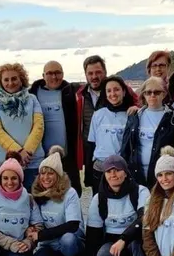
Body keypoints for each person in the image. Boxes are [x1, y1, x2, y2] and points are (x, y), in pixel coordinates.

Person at [83, 154, 150, 256]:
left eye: (117, 170)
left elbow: (144, 219)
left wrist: (124, 239)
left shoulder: (141, 191)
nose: (113, 174)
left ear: (125, 173)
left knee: (139, 241)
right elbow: (92, 237)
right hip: (113, 244)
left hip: (135, 240)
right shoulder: (98, 199)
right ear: (104, 175)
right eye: (109, 171)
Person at [30, 147, 84, 256]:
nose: (45, 177)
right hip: (48, 243)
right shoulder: (37, 193)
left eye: (50, 173)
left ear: (58, 175)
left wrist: (40, 235)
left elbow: (72, 225)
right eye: (42, 173)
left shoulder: (69, 193)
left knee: (68, 239)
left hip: (70, 239)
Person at [0, 63, 45, 187]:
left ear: (21, 79)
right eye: (6, 80)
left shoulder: (32, 99)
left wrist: (26, 152)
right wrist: (18, 152)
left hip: (33, 161)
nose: (10, 83)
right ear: (0, 82)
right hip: (7, 162)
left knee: (35, 200)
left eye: (14, 78)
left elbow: (38, 127)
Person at [29, 61, 83, 193]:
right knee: (43, 193)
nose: (54, 77)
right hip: (42, 155)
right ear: (43, 75)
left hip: (67, 154)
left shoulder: (71, 92)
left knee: (72, 192)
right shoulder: (32, 95)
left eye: (57, 73)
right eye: (50, 73)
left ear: (63, 74)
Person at [122, 76, 174, 186]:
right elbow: (126, 147)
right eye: (148, 92)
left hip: (162, 176)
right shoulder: (135, 117)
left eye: (157, 92)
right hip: (136, 175)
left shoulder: (173, 118)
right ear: (143, 95)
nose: (152, 95)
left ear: (164, 94)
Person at [85, 76, 134, 188]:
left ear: (124, 91)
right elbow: (91, 144)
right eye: (109, 90)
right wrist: (88, 171)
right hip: (100, 166)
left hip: (120, 167)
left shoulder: (130, 115)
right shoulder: (98, 115)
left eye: (116, 89)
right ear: (105, 94)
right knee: (100, 202)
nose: (113, 94)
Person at [72, 55, 109, 187]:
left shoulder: (114, 91)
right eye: (90, 73)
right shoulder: (80, 94)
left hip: (112, 149)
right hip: (90, 150)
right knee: (96, 190)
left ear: (105, 72)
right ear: (86, 75)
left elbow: (137, 102)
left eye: (98, 72)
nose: (94, 76)